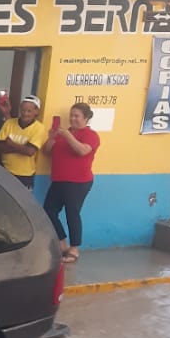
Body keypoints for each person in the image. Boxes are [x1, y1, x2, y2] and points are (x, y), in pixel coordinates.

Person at [43, 102, 100, 264]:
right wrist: (51, 139)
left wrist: (68, 137)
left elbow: (82, 151)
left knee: (72, 213)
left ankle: (75, 248)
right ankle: (62, 243)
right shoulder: (63, 133)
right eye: (71, 115)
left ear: (86, 118)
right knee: (48, 210)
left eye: (77, 116)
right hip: (59, 180)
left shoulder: (91, 135)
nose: (73, 118)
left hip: (78, 182)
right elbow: (47, 152)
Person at [0, 95, 49, 189]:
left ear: (36, 112)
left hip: (25, 176)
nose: (25, 113)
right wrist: (22, 148)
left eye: (29, 111)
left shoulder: (39, 128)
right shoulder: (9, 123)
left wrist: (11, 144)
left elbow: (30, 152)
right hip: (5, 171)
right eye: (23, 110)